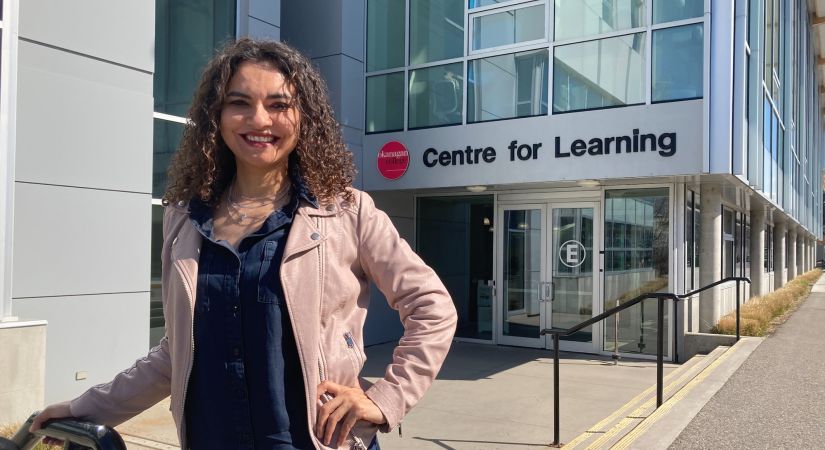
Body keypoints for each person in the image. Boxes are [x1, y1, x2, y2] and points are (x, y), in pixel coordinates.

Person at [31, 38, 457, 450]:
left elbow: (432, 307)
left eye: (279, 105)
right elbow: (176, 354)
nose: (259, 120)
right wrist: (85, 408)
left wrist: (386, 399)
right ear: (216, 116)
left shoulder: (346, 212)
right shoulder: (185, 220)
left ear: (304, 117)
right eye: (239, 103)